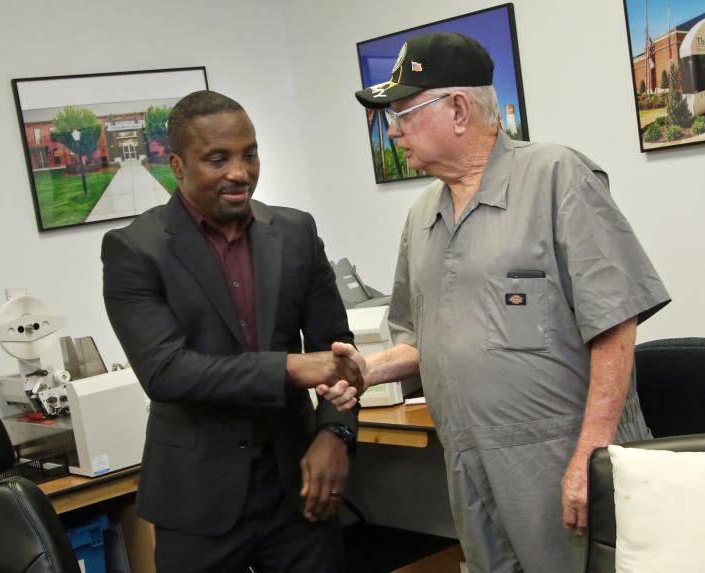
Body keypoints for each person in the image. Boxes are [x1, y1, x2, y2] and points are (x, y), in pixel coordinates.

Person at [323, 32, 671, 573]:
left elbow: (616, 325)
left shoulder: (557, 176)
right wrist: (367, 370)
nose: (393, 129)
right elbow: (422, 337)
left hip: (561, 459)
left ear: (458, 109)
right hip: (469, 461)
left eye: (403, 113)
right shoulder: (422, 216)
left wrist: (591, 457)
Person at [102, 90, 362, 573]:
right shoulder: (134, 251)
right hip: (198, 499)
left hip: (300, 488)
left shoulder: (295, 232)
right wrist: (288, 367)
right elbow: (166, 372)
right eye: (217, 159)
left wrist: (335, 435)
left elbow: (337, 352)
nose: (240, 172)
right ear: (177, 167)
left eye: (250, 154)